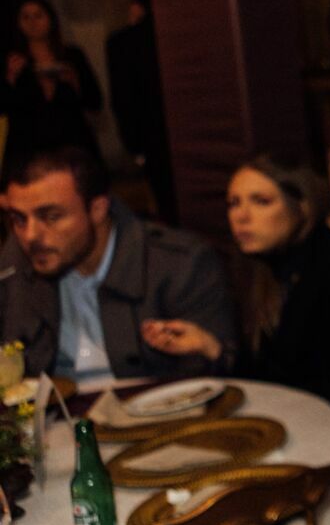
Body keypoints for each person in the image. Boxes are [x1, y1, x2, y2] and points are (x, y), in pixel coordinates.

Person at [141, 155, 330, 439]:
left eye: (261, 201)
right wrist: (210, 347)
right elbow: (276, 380)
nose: (241, 216)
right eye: (234, 203)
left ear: (302, 207)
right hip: (308, 427)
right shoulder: (268, 273)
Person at [0, 144, 236, 387]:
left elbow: (222, 375)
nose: (30, 236)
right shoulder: (12, 270)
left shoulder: (179, 264)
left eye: (51, 216)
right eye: (18, 219)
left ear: (98, 209)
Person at [4, 0, 104, 178]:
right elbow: (6, 108)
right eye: (25, 17)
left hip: (72, 144)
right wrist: (10, 78)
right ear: (18, 23)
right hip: (30, 148)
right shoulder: (14, 61)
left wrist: (74, 81)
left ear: (50, 19)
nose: (32, 22)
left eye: (38, 15)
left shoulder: (71, 56)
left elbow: (94, 102)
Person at [106, 0, 175, 222]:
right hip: (187, 133)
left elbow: (123, 99)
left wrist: (134, 145)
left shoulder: (123, 42)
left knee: (168, 205)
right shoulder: (185, 33)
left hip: (151, 137)